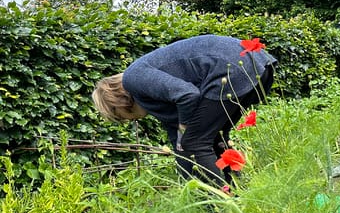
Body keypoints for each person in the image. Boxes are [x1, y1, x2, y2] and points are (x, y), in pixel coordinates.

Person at [92, 34, 276, 189]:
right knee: (213, 140)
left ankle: (220, 209)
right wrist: (186, 181)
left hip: (232, 65)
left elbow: (188, 95)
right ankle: (241, 195)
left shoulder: (133, 78)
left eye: (118, 116)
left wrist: (184, 131)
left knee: (195, 142)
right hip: (257, 62)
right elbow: (179, 146)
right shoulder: (155, 98)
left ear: (117, 103)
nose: (126, 121)